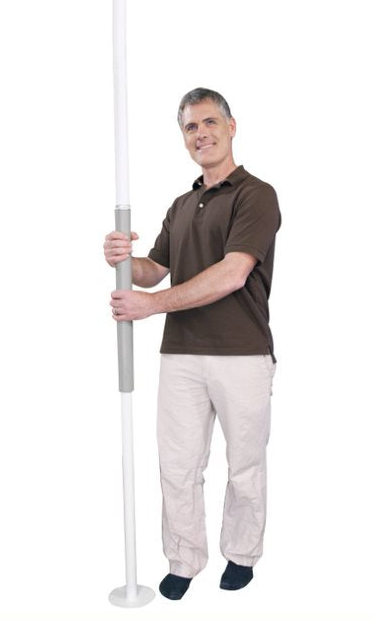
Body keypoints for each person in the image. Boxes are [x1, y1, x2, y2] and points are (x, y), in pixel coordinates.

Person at [103, 87, 281, 600]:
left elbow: (232, 273)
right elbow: (153, 270)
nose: (200, 134)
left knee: (244, 466)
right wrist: (122, 258)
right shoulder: (181, 205)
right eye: (190, 127)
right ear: (183, 138)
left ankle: (241, 555)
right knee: (178, 467)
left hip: (242, 354)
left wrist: (150, 306)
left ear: (231, 127)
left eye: (209, 122)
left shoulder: (256, 195)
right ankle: (184, 559)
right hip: (180, 355)